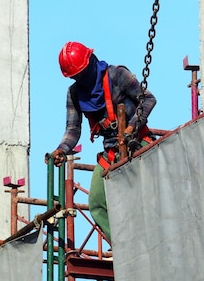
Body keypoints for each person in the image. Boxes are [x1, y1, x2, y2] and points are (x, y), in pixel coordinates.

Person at [47, 41, 157, 243]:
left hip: (138, 143)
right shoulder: (75, 94)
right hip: (111, 153)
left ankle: (154, 239)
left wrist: (131, 127)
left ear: (90, 62)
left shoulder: (117, 75)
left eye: (81, 73)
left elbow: (148, 100)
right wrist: (61, 150)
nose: (80, 79)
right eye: (75, 77)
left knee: (149, 196)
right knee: (97, 202)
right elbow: (73, 129)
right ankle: (125, 246)